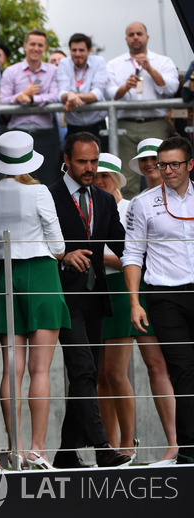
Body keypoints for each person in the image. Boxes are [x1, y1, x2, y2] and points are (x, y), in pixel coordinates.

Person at [47, 132, 132, 468]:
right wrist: (63, 255)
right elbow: (35, 243)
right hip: (64, 296)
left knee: (89, 372)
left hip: (97, 297)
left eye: (94, 161)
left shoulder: (105, 199)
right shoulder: (49, 196)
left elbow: (125, 247)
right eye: (82, 161)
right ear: (66, 160)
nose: (89, 168)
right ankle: (101, 446)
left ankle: (67, 452)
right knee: (82, 368)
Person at [0, 131, 70, 470]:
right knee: (41, 369)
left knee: (13, 368)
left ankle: (17, 448)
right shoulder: (38, 191)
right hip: (40, 273)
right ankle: (38, 449)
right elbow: (58, 245)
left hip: (4, 275)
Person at [123, 136, 194, 464]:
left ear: (190, 164)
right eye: (162, 164)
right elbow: (133, 254)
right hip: (165, 296)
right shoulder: (143, 203)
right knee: (182, 371)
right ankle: (188, 451)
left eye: (174, 164)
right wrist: (135, 302)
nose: (166, 170)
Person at [92, 153, 139, 461]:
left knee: (116, 372)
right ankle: (108, 447)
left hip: (121, 289)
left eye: (104, 176)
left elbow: (131, 256)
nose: (99, 181)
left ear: (117, 180)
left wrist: (95, 255)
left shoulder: (128, 208)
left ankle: (128, 443)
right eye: (96, 176)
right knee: (100, 376)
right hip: (96, 289)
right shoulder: (90, 208)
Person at [107, 22, 179, 200]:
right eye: (131, 34)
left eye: (139, 33)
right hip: (125, 126)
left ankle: (167, 213)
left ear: (147, 37)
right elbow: (107, 93)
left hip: (155, 124)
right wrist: (125, 87)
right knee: (126, 179)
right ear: (126, 39)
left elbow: (171, 87)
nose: (135, 37)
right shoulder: (115, 64)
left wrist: (150, 70)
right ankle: (127, 220)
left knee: (163, 172)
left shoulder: (162, 61)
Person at [0, 29, 60, 185]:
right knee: (15, 182)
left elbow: (55, 96)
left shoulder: (53, 71)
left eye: (40, 45)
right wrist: (18, 97)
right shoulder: (12, 71)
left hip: (44, 134)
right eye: (32, 44)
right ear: (25, 46)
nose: (36, 48)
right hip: (17, 134)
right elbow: (1, 101)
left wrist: (32, 98)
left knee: (48, 181)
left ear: (45, 48)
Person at [56, 33, 109, 148]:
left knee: (101, 164)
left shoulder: (99, 61)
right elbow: (61, 91)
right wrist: (69, 95)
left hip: (97, 126)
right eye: (74, 50)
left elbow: (97, 93)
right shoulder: (64, 63)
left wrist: (74, 97)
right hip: (73, 127)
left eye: (81, 50)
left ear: (89, 50)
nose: (77, 54)